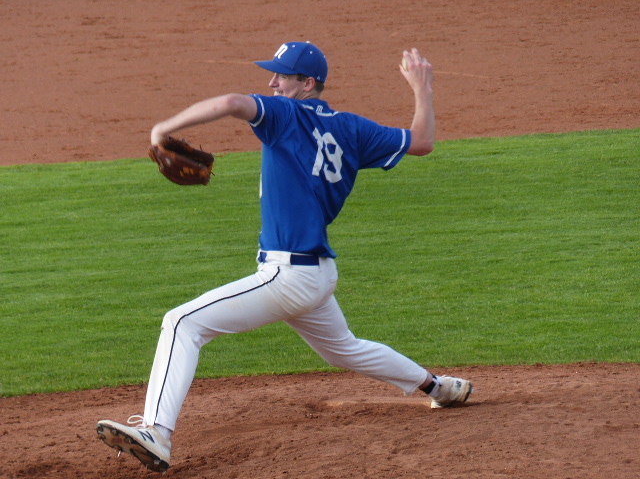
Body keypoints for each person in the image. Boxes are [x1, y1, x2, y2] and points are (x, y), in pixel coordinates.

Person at [96, 41, 473, 473]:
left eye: (281, 76)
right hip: (318, 275)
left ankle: (157, 434)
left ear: (307, 83)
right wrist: (422, 89)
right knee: (345, 349)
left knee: (182, 323)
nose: (273, 83)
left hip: (289, 275)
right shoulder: (352, 128)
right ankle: (439, 388)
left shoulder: (285, 116)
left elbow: (231, 103)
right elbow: (422, 141)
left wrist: (161, 128)